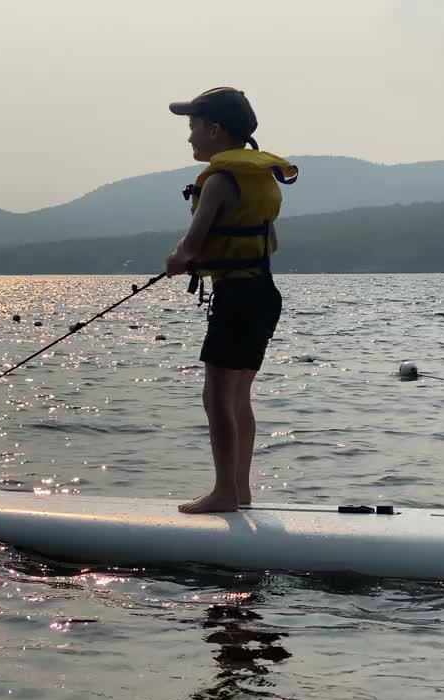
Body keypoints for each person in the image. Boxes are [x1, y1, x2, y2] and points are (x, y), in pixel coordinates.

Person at [164, 87, 298, 514]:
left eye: (193, 128)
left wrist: (178, 260)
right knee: (239, 396)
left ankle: (224, 493)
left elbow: (191, 245)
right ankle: (239, 490)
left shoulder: (220, 181)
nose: (190, 138)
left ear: (215, 129)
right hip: (262, 293)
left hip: (236, 296)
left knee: (216, 396)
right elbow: (269, 243)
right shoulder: (258, 179)